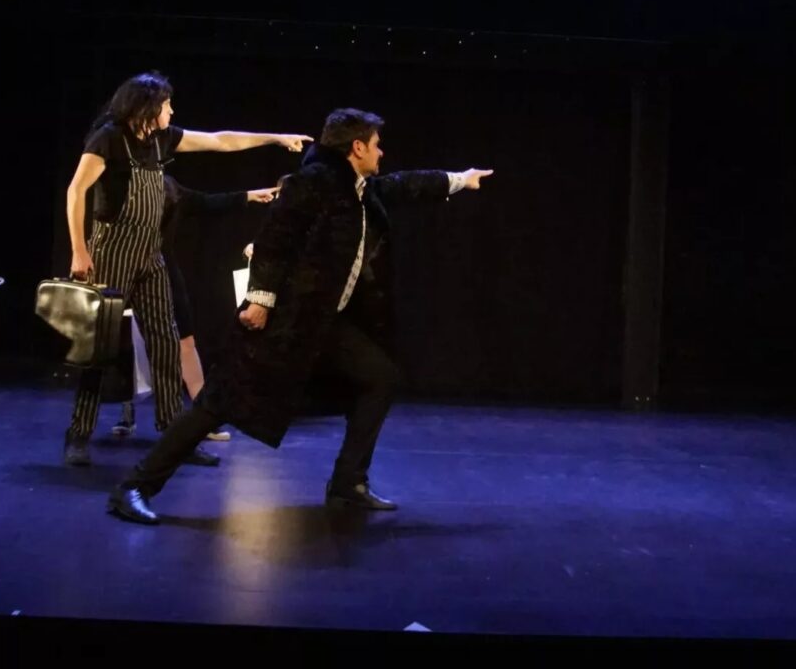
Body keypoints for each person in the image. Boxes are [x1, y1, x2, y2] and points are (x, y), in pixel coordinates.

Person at [109, 108, 493, 524]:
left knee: (380, 377)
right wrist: (259, 300)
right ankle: (134, 486)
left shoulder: (358, 189)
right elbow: (274, 238)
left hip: (323, 324)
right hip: (283, 322)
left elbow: (405, 185)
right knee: (217, 403)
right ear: (357, 147)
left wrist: (460, 179)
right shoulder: (314, 183)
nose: (381, 152)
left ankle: (348, 483)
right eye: (376, 145)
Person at [62, 70, 311, 466]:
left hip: (150, 254)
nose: (172, 111)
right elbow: (76, 190)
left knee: (166, 343)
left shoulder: (162, 139)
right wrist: (79, 250)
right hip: (112, 252)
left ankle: (173, 437)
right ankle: (78, 432)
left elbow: (221, 141)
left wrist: (275, 138)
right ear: (148, 107)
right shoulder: (109, 138)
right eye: (167, 105)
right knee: (100, 347)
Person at [108, 175, 279, 442]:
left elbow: (206, 202)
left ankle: (201, 419)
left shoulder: (168, 185)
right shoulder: (128, 184)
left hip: (163, 268)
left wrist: (248, 195)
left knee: (185, 341)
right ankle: (127, 411)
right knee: (127, 339)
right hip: (126, 267)